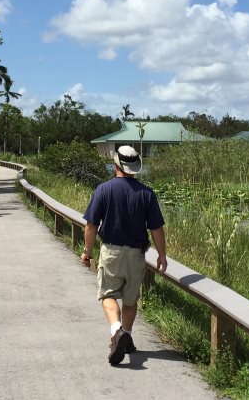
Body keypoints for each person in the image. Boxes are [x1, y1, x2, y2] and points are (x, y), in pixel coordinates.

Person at [80, 145, 168, 366]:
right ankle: (126, 335)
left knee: (108, 295)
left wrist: (87, 251)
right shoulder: (147, 194)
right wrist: (162, 256)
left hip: (111, 251)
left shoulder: (103, 189)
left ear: (116, 164)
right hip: (136, 255)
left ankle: (117, 331)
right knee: (130, 299)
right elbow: (156, 229)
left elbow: (91, 225)